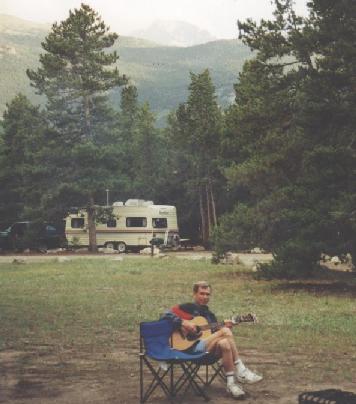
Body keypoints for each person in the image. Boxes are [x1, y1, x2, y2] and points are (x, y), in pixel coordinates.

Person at [161, 280, 263, 399]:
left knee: (225, 342)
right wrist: (184, 323)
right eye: (202, 293)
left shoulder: (209, 315)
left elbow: (213, 335)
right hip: (186, 350)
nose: (205, 297)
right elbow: (165, 315)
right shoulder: (186, 308)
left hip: (206, 350)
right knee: (225, 332)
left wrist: (225, 327)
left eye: (207, 294)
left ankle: (231, 385)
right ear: (194, 294)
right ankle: (241, 370)